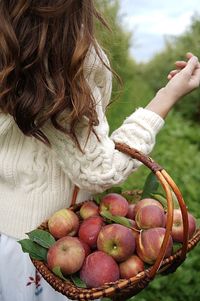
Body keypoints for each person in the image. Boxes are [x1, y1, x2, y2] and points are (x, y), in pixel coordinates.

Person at [0, 1, 200, 301]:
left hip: (7, 241)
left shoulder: (8, 47)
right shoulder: (69, 53)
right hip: (53, 252)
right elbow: (99, 170)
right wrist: (165, 97)